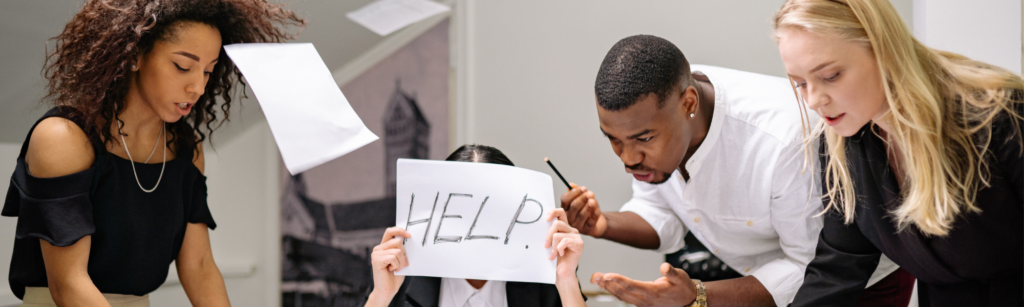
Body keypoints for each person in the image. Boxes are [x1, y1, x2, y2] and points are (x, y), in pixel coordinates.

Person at [564, 34, 905, 307]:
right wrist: (603, 225)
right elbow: (661, 214)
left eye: (643, 139)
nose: (628, 158)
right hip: (760, 279)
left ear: (689, 104)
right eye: (613, 139)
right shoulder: (655, 107)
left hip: (859, 285)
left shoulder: (781, 141)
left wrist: (698, 296)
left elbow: (811, 267)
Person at [1, 1, 304, 306]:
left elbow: (198, 266)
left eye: (208, 72)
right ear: (134, 56)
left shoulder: (186, 150)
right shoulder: (63, 138)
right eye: (182, 66)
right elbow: (68, 284)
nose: (197, 87)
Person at [773, 0, 1023, 306]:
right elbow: (840, 264)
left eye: (831, 76)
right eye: (799, 83)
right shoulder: (844, 137)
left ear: (884, 50)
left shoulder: (1001, 116)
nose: (812, 100)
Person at [364, 145, 587, 307]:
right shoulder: (401, 279)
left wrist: (567, 282)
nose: (474, 229)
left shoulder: (544, 284)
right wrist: (381, 296)